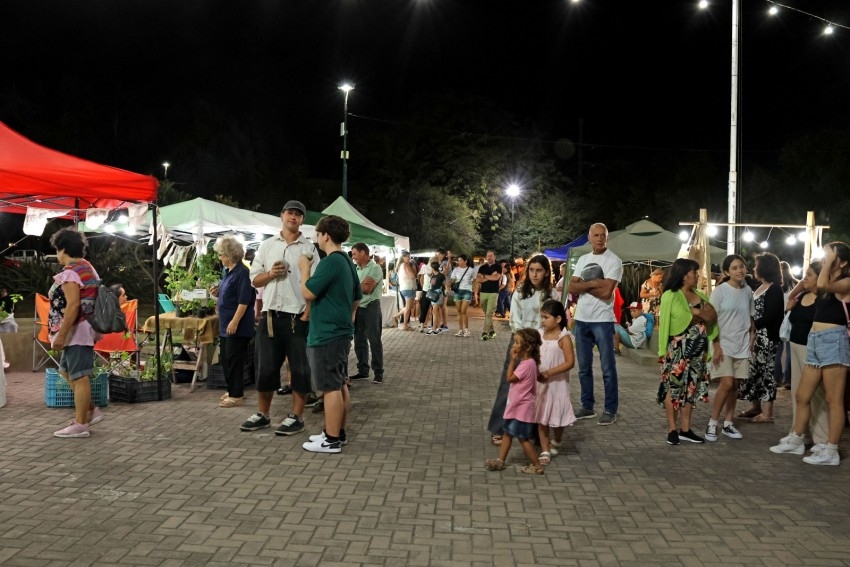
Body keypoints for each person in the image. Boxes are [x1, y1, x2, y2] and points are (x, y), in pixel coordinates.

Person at [241, 200, 317, 436]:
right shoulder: (267, 246)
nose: (293, 217)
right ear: (282, 216)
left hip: (297, 316)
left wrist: (307, 313)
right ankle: (263, 414)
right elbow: (254, 280)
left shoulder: (310, 249)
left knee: (300, 369)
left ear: (302, 220)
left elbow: (316, 284)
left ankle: (297, 416)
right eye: (290, 213)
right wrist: (270, 274)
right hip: (271, 315)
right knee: (265, 367)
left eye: (298, 214)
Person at [770, 242, 850, 466]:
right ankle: (796, 439)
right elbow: (805, 284)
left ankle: (831, 450)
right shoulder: (826, 280)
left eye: (831, 257)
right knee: (802, 395)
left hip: (834, 340)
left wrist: (828, 262)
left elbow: (822, 284)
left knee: (833, 399)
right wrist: (824, 262)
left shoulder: (845, 282)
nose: (825, 259)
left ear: (843, 262)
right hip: (814, 340)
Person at [299, 215, 362, 453]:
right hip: (341, 332)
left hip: (327, 334)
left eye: (318, 234)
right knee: (339, 383)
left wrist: (304, 269)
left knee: (330, 387)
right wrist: (346, 317)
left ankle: (332, 439)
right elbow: (357, 298)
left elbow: (308, 292)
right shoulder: (346, 261)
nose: (317, 238)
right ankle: (336, 433)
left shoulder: (330, 262)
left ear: (325, 235)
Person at [486, 254, 557, 445]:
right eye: (531, 270)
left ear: (546, 272)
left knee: (539, 386)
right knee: (509, 383)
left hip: (543, 343)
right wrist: (524, 340)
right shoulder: (520, 292)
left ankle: (535, 432)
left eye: (539, 270)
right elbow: (515, 319)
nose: (535, 274)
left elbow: (553, 320)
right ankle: (499, 428)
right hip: (520, 341)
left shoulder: (552, 294)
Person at [48, 228, 104, 438]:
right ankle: (90, 410)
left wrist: (61, 335)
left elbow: (73, 306)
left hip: (77, 330)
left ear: (63, 249)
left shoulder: (71, 272)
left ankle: (81, 425)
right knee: (66, 371)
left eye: (57, 249)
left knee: (79, 376)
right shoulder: (87, 266)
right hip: (83, 328)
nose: (57, 254)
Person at [657, 258, 717, 445]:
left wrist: (697, 313)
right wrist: (699, 315)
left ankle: (685, 429)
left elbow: (712, 316)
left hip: (698, 351)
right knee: (674, 387)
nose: (697, 275)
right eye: (694, 272)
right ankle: (672, 429)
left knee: (691, 388)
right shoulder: (670, 295)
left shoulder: (700, 295)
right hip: (678, 350)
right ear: (684, 275)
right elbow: (677, 321)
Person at [567, 223, 623, 426]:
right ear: (589, 238)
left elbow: (607, 293)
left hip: (603, 320)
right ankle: (587, 406)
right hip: (582, 319)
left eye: (603, 235)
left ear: (607, 238)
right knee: (584, 368)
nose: (599, 238)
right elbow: (571, 286)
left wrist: (583, 285)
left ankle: (610, 409)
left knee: (608, 368)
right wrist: (594, 283)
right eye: (596, 235)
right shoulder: (583, 259)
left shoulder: (614, 261)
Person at [704, 255, 754, 442]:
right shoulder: (720, 291)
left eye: (742, 266)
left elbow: (751, 316)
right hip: (723, 343)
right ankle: (712, 422)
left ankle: (728, 422)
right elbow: (711, 320)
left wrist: (752, 335)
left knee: (735, 385)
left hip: (742, 344)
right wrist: (716, 345)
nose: (740, 270)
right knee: (727, 383)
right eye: (734, 268)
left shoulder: (748, 291)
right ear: (726, 272)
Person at [484, 328, 546, 475]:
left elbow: (509, 378)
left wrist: (512, 360)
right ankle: (500, 460)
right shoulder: (531, 363)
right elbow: (539, 377)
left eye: (517, 342)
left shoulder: (525, 365)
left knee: (523, 439)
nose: (514, 345)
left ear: (527, 347)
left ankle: (537, 466)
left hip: (520, 410)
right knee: (507, 433)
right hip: (517, 407)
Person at [783, 261, 828, 450]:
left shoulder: (824, 299)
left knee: (815, 395)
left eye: (809, 275)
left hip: (812, 349)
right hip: (795, 346)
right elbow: (790, 297)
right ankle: (797, 432)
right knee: (797, 393)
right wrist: (804, 283)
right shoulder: (802, 295)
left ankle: (821, 438)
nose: (804, 278)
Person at [738, 253, 785, 423]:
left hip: (767, 338)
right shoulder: (760, 287)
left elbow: (773, 315)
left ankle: (767, 413)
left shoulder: (775, 289)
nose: (754, 268)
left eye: (757, 265)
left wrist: (753, 325)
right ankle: (756, 406)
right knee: (754, 372)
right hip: (756, 337)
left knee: (766, 373)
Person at [212, 236, 255, 408]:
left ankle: (236, 394)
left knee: (234, 359)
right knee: (226, 359)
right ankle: (231, 389)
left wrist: (235, 321)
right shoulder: (228, 271)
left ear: (229, 255)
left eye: (221, 254)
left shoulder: (242, 273)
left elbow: (244, 301)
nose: (219, 258)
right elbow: (229, 293)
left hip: (237, 325)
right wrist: (218, 292)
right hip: (225, 324)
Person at [535, 299, 576, 465]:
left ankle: (557, 440)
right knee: (541, 417)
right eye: (542, 317)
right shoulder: (539, 335)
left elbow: (570, 362)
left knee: (557, 418)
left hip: (557, 385)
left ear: (558, 319)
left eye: (546, 317)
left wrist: (549, 373)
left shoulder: (564, 338)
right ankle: (545, 450)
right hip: (540, 384)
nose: (543, 321)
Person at [349, 242, 384, 384]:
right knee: (359, 341)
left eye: (355, 254)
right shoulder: (356, 269)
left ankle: (378, 372)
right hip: (358, 308)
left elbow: (367, 289)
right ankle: (363, 370)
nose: (353, 257)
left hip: (371, 307)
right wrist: (359, 285)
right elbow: (361, 287)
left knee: (374, 340)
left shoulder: (375, 268)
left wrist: (354, 286)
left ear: (363, 253)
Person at [776, 260, 798, 389]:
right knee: (790, 351)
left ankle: (776, 378)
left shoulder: (776, 286)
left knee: (777, 351)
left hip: (779, 319)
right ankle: (788, 379)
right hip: (791, 319)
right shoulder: (796, 284)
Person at [476, 250, 501, 340]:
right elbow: (478, 279)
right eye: (488, 256)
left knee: (489, 313)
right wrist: (490, 276)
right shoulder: (482, 267)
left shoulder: (498, 267)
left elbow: (496, 278)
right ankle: (492, 331)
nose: (489, 257)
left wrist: (484, 276)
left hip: (493, 293)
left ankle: (485, 332)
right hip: (483, 292)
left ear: (495, 257)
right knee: (486, 313)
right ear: (486, 257)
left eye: (491, 256)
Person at [449, 254, 475, 337]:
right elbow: (452, 279)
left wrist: (474, 290)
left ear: (465, 261)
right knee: (459, 311)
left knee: (463, 311)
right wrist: (449, 283)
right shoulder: (456, 269)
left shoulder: (471, 270)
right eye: (458, 260)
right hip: (458, 291)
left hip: (467, 291)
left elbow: (474, 280)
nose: (459, 262)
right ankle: (460, 330)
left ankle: (467, 330)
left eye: (460, 260)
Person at [396, 251, 417, 331]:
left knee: (409, 307)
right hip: (409, 287)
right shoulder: (406, 265)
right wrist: (414, 270)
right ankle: (405, 325)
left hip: (404, 288)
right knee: (408, 307)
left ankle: (397, 316)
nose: (409, 258)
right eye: (407, 257)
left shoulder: (400, 266)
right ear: (403, 257)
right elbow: (412, 276)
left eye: (409, 256)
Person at [425, 262, 446, 335]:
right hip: (433, 294)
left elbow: (444, 285)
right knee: (435, 311)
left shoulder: (441, 275)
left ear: (433, 268)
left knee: (434, 311)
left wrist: (444, 294)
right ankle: (438, 327)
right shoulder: (432, 275)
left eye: (431, 267)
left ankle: (434, 329)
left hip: (438, 294)